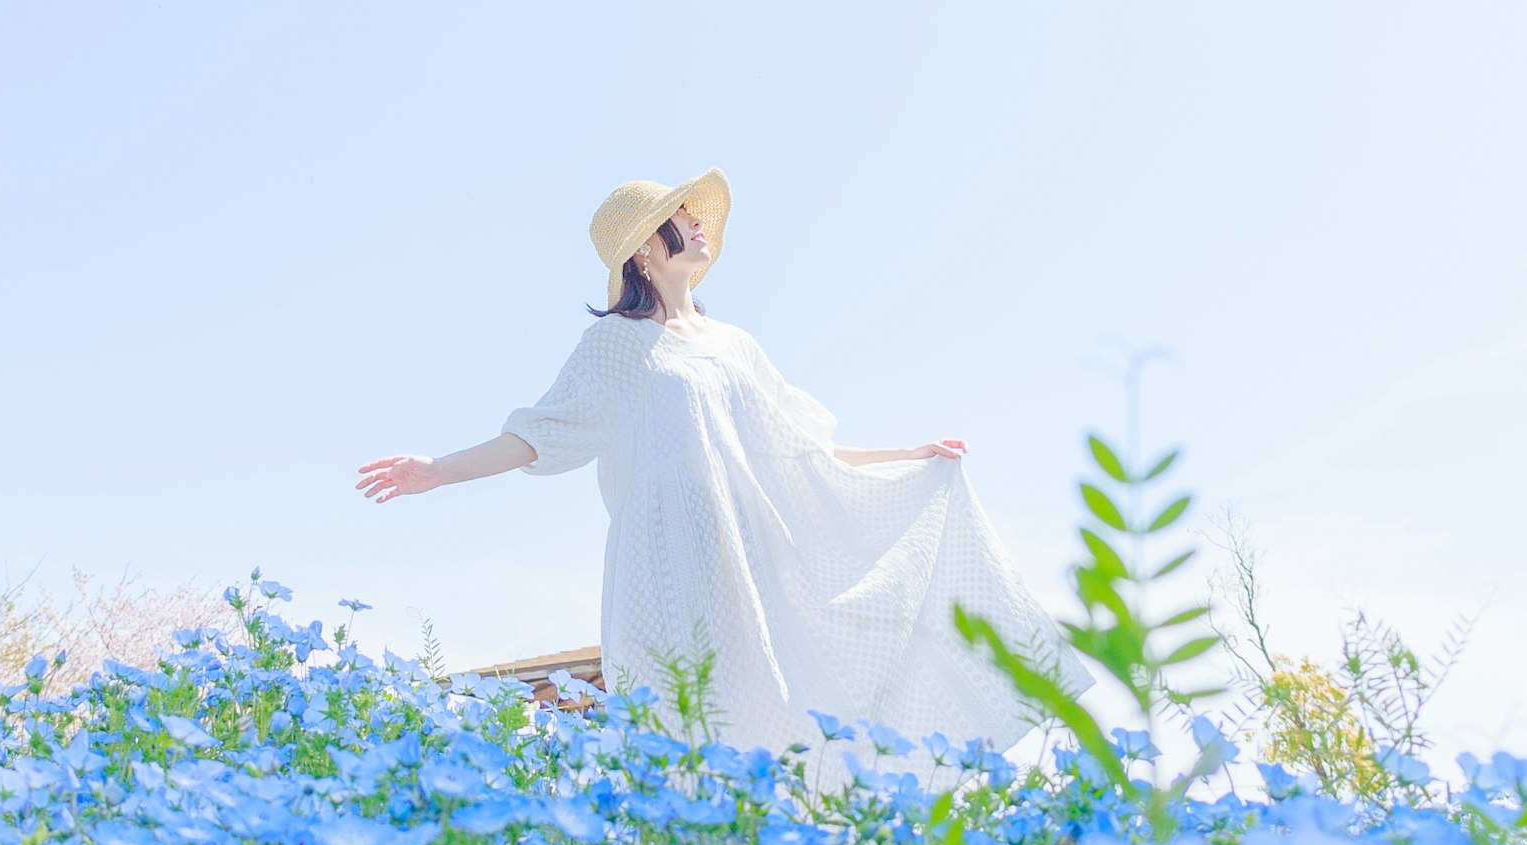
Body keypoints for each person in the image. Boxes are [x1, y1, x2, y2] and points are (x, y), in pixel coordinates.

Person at [355, 168, 1054, 755]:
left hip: (743, 558)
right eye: (676, 220)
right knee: (676, 715)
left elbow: (802, 447)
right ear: (643, 254)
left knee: (766, 710)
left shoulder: (733, 346)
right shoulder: (616, 348)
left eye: (693, 216)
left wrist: (909, 455)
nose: (696, 226)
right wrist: (437, 469)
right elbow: (535, 437)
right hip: (660, 560)